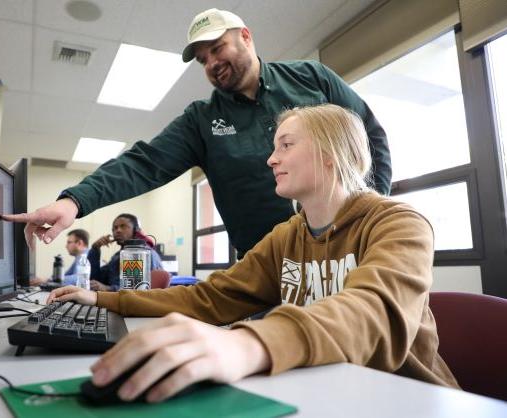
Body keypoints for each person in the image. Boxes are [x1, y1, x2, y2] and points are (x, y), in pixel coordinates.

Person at [47, 104, 457, 403]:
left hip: (405, 400)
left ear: (331, 153)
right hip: (323, 393)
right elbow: (210, 297)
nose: (270, 158)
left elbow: (375, 313)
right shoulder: (287, 236)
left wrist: (248, 345)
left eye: (286, 145)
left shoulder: (398, 222)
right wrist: (103, 299)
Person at [3, 8, 391, 260]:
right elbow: (143, 163)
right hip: (267, 265)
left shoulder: (311, 78)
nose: (212, 64)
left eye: (217, 48)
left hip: (346, 248)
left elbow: (369, 135)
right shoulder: (201, 120)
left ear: (246, 36)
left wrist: (372, 208)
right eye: (203, 60)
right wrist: (74, 202)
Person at [89, 213, 164, 291]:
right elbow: (96, 278)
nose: (118, 230)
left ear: (136, 230)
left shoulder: (138, 254)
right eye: (115, 228)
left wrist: (108, 289)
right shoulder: (118, 256)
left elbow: (134, 289)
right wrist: (95, 249)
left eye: (123, 226)